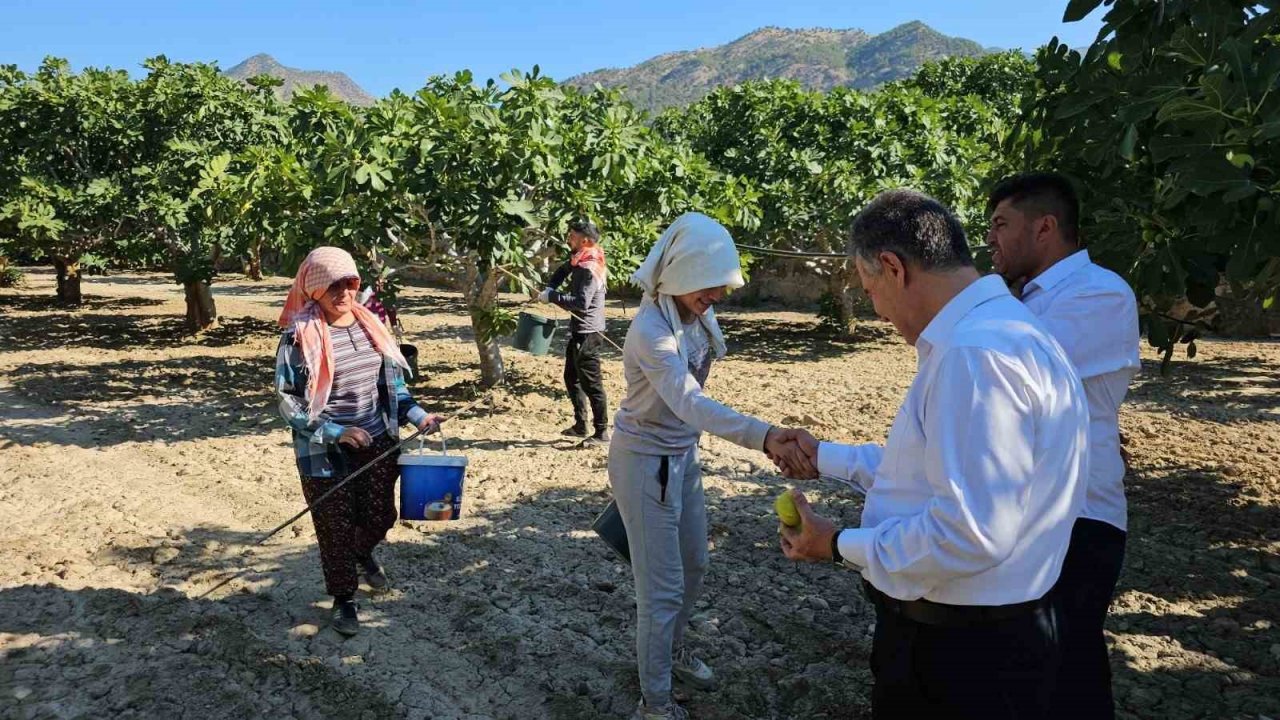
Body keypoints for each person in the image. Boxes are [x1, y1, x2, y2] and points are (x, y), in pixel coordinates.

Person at [774, 190, 1089, 719]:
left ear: (894, 268)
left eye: (871, 288)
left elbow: (969, 533)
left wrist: (835, 544)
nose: (875, 308)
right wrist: (823, 455)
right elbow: (927, 470)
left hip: (961, 658)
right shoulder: (1008, 333)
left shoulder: (974, 356)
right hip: (998, 637)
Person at [609, 212, 813, 720]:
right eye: (709, 285)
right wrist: (764, 435)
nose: (717, 296)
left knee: (695, 564)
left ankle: (672, 652)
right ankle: (655, 704)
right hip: (646, 460)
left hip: (682, 454)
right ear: (680, 275)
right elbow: (690, 402)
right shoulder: (651, 332)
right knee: (661, 592)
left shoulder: (695, 314)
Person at [986, 172, 1141, 720]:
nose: (991, 239)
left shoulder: (1099, 292)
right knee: (1029, 669)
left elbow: (1012, 371)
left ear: (1045, 227)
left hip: (1080, 516)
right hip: (1035, 512)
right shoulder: (1023, 300)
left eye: (1001, 224)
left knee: (1068, 670)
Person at [275, 246, 439, 637]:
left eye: (349, 283)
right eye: (332, 286)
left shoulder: (372, 327)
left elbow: (394, 387)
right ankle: (343, 597)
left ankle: (361, 552)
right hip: (324, 452)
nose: (343, 293)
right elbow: (289, 402)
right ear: (314, 290)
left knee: (381, 515)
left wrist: (420, 416)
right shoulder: (299, 336)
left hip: (378, 442)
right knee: (334, 526)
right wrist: (336, 432)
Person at [538, 219, 610, 445]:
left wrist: (552, 298)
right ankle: (581, 425)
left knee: (592, 383)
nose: (569, 237)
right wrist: (551, 286)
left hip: (589, 333)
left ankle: (601, 432)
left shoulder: (589, 268)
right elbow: (563, 270)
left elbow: (581, 303)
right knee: (571, 377)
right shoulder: (581, 257)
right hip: (580, 330)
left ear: (585, 240)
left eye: (573, 235)